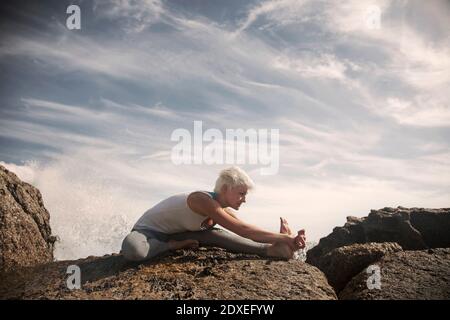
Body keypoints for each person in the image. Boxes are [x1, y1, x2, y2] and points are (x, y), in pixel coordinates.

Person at [121, 166, 306, 262]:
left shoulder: (221, 209)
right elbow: (242, 230)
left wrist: (282, 239)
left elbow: (247, 229)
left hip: (178, 232)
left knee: (214, 235)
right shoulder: (202, 200)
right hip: (147, 233)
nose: (244, 199)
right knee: (133, 250)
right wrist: (286, 237)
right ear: (225, 189)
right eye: (241, 194)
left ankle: (273, 250)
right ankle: (171, 246)